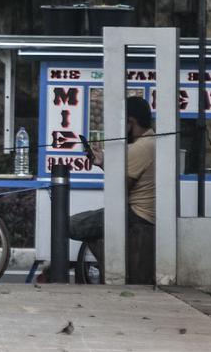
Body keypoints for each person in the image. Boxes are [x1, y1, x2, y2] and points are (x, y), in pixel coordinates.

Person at [67, 95, 156, 283]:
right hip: (145, 211)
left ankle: (113, 264)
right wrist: (103, 163)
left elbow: (120, 188)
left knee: (70, 225)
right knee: (90, 224)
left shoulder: (140, 148)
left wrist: (106, 166)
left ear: (131, 122)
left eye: (123, 123)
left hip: (138, 213)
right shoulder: (152, 142)